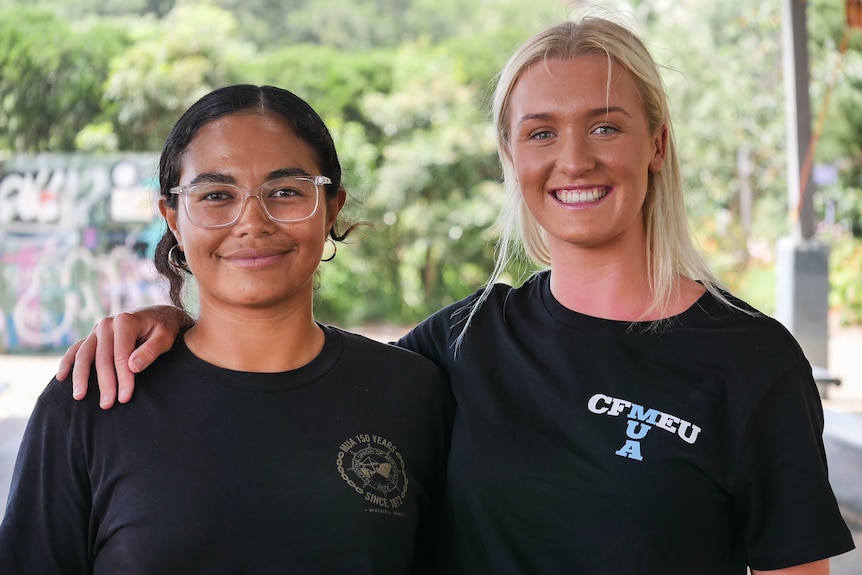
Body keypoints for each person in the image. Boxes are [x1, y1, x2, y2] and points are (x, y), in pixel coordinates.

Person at [53, 17, 855, 574]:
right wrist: (167, 321)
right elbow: (291, 384)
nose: (572, 158)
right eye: (541, 131)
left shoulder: (750, 359)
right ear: (511, 154)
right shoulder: (465, 340)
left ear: (656, 145)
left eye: (605, 125)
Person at [0, 85, 453, 574]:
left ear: (331, 208)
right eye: (216, 195)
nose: (252, 222)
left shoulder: (412, 391)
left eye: (285, 191)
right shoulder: (95, 397)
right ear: (172, 218)